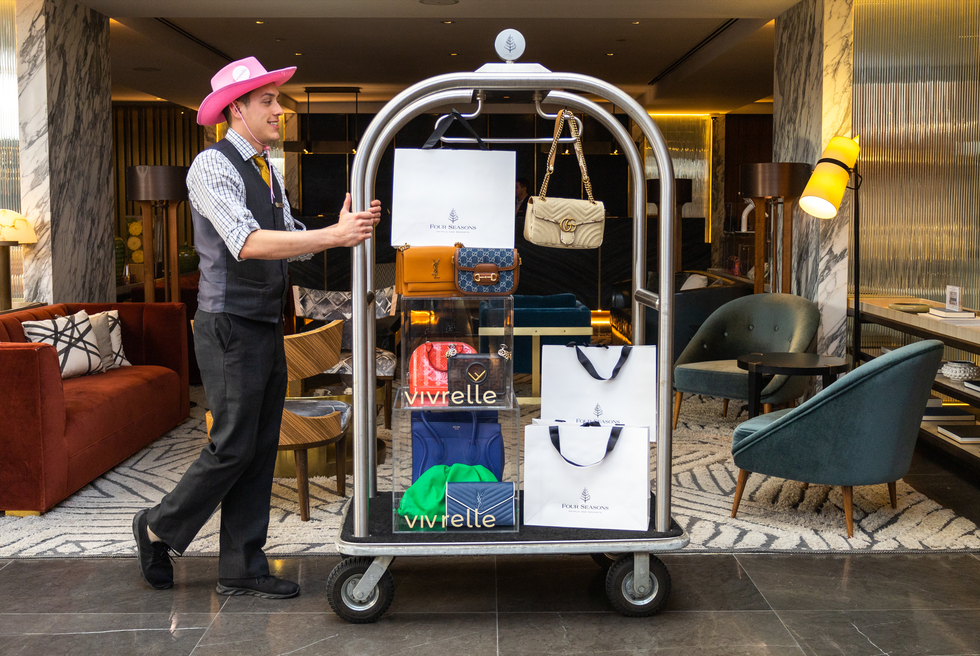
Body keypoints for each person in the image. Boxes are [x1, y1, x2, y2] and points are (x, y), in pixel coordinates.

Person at [132, 56, 381, 599]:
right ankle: (157, 526)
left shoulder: (269, 168)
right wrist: (332, 237)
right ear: (236, 110)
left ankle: (242, 565)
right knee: (231, 445)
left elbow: (288, 235)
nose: (279, 110)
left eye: (277, 100)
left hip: (265, 321)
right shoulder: (212, 167)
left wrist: (342, 227)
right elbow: (246, 243)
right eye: (267, 101)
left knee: (261, 444)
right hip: (227, 326)